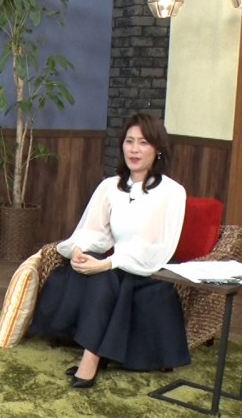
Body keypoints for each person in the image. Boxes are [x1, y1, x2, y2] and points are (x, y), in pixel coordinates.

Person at [28, 112, 188, 389]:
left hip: (150, 266)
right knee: (94, 272)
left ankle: (90, 360)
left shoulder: (172, 192)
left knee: (108, 276)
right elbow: (95, 232)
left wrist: (108, 263)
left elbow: (155, 245)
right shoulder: (110, 187)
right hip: (117, 263)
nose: (134, 149)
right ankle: (93, 353)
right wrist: (79, 249)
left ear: (158, 149)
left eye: (143, 143)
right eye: (129, 141)